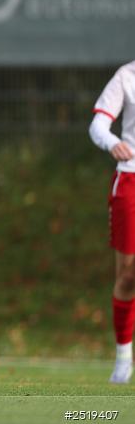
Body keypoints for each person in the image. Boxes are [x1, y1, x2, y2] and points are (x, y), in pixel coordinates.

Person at [90, 63, 135, 384]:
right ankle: (123, 359)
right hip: (131, 181)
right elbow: (98, 126)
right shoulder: (127, 76)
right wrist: (112, 142)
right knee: (128, 277)